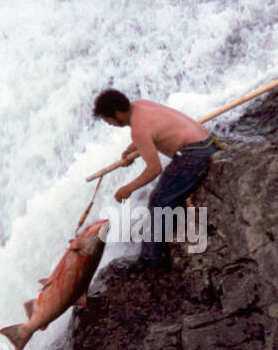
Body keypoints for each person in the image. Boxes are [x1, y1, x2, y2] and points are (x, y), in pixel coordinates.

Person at [93, 88, 220, 266]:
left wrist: (128, 188)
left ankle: (150, 260)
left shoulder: (138, 130)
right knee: (168, 196)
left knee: (159, 201)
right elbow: (154, 129)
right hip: (208, 143)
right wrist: (133, 148)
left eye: (109, 120)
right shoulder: (140, 105)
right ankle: (168, 241)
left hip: (195, 155)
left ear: (118, 114)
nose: (110, 124)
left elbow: (154, 169)